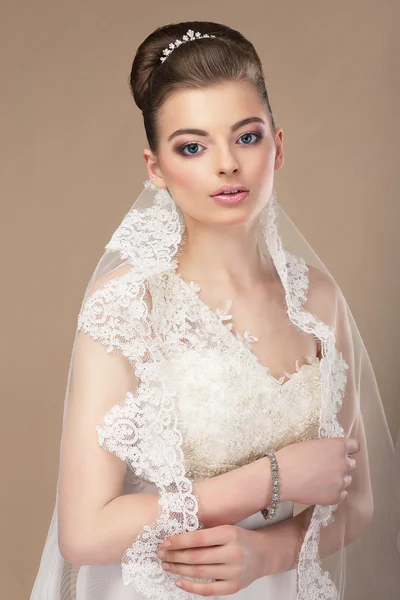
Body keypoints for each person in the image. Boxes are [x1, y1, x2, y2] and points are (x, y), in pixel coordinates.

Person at [30, 20, 399, 600]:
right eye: (193, 146)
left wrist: (265, 553)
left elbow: (357, 503)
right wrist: (271, 479)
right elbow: (83, 531)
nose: (226, 164)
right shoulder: (128, 306)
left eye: (246, 137)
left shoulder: (318, 300)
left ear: (277, 145)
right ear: (156, 168)